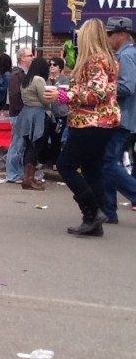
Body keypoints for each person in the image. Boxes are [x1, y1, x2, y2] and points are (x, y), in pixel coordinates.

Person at [45, 18, 120, 236]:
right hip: (105, 122)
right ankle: (96, 219)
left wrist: (62, 95)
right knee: (91, 168)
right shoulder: (109, 60)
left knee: (66, 165)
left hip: (88, 122)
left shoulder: (94, 60)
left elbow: (96, 94)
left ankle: (92, 213)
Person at [102, 16, 136, 222]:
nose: (108, 38)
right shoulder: (126, 54)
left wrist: (102, 86)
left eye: (110, 34)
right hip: (123, 117)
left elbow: (127, 87)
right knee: (107, 162)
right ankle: (109, 211)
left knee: (107, 163)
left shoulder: (126, 56)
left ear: (122, 34)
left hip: (121, 118)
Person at [14, 58, 53, 190]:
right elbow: (45, 100)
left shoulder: (26, 79)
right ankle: (29, 179)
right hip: (38, 115)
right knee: (35, 147)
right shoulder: (39, 80)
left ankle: (27, 177)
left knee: (28, 147)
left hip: (26, 114)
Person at [6, 47, 34, 183]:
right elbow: (14, 95)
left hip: (22, 114)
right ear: (23, 58)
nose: (32, 57)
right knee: (17, 144)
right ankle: (12, 174)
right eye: (30, 55)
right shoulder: (17, 75)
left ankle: (18, 172)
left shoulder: (25, 74)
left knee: (21, 145)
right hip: (19, 114)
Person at [37, 57, 70, 170]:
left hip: (60, 113)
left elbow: (62, 92)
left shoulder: (65, 79)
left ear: (60, 67)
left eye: (54, 64)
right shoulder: (45, 79)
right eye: (50, 64)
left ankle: (55, 161)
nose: (51, 66)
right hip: (47, 112)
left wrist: (54, 82)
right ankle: (42, 159)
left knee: (57, 138)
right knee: (44, 137)